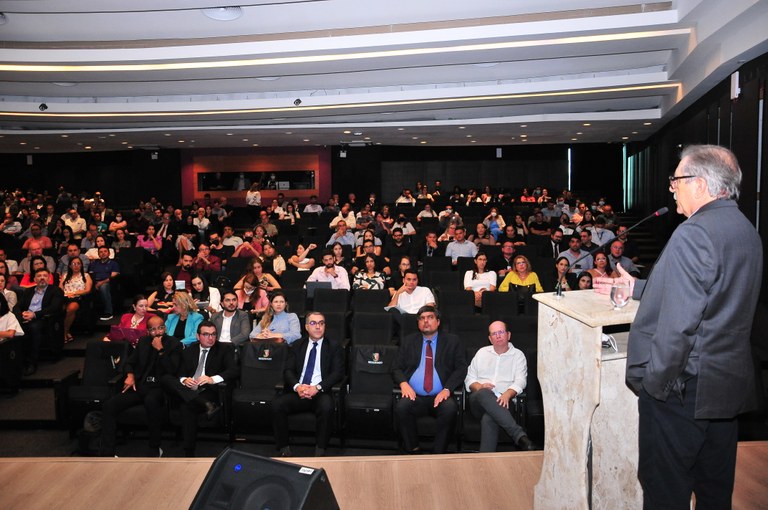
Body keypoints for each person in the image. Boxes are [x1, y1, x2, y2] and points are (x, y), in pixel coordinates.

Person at [594, 145, 763, 509]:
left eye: (677, 180)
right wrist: (636, 288)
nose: (672, 189)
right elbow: (714, 294)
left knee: (665, 492)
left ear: (700, 185)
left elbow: (678, 327)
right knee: (714, 491)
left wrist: (654, 385)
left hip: (681, 392)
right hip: (723, 389)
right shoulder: (744, 229)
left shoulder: (694, 233)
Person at [100, 316, 182, 457]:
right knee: (109, 405)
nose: (157, 332)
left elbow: (172, 370)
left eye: (160, 328)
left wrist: (160, 350)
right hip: (141, 385)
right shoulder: (143, 342)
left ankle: (155, 448)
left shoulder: (174, 344)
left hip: (160, 387)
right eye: (153, 329)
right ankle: (107, 452)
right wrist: (130, 375)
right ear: (147, 331)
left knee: (151, 401)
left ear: (165, 328)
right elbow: (129, 363)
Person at [393, 306, 468, 454]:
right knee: (402, 407)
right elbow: (396, 368)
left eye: (430, 317)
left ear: (438, 322)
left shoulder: (452, 341)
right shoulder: (408, 341)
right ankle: (413, 449)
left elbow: (461, 368)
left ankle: (438, 453)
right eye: (422, 318)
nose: (426, 321)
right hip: (415, 395)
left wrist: (447, 389)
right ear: (418, 323)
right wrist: (404, 384)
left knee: (450, 409)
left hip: (440, 395)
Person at [272, 311, 345, 457]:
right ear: (306, 327)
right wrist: (297, 386)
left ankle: (320, 449)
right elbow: (288, 371)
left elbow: (338, 373)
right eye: (313, 323)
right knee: (277, 404)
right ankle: (283, 448)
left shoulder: (334, 346)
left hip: (320, 392)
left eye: (321, 323)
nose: (318, 327)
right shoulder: (297, 345)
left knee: (327, 406)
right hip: (299, 391)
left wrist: (317, 388)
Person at [161, 321, 238, 457]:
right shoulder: (190, 350)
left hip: (208, 391)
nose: (211, 338)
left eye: (214, 334)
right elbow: (179, 372)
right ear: (197, 336)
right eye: (206, 334)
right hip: (189, 389)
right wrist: (185, 380)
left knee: (186, 407)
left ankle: (188, 452)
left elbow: (233, 371)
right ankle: (206, 405)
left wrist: (212, 379)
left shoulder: (224, 349)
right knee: (167, 378)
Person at [465, 320, 537, 452]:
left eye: (501, 332)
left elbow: (521, 380)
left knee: (489, 418)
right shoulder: (481, 353)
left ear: (508, 335)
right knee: (484, 393)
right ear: (489, 338)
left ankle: (485, 462)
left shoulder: (518, 356)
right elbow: (469, 379)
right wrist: (480, 387)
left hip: (505, 402)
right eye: (494, 333)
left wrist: (507, 394)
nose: (498, 336)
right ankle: (519, 435)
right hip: (478, 401)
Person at [14, 268, 64, 375]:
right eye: (39, 276)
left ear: (49, 278)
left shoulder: (55, 290)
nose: (42, 278)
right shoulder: (28, 291)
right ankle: (17, 361)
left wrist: (35, 314)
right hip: (25, 317)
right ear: (35, 279)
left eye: (45, 276)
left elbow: (54, 307)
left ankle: (32, 361)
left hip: (43, 318)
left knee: (34, 327)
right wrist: (21, 315)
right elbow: (16, 307)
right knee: (14, 327)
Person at [59, 257, 93, 343]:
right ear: (70, 266)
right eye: (73, 264)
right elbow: (60, 289)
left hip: (78, 297)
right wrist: (66, 294)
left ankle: (64, 332)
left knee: (70, 309)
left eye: (78, 263)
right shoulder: (65, 275)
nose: (76, 266)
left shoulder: (86, 275)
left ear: (81, 265)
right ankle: (67, 332)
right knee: (59, 309)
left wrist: (74, 293)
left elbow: (87, 290)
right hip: (65, 297)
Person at [88, 245, 120, 321]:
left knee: (103, 287)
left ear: (109, 253)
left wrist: (100, 283)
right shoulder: (94, 263)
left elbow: (113, 276)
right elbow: (90, 275)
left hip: (107, 282)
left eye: (105, 251)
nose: (103, 253)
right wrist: (94, 283)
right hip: (94, 281)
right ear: (98, 254)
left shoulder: (113, 263)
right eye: (101, 252)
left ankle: (108, 312)